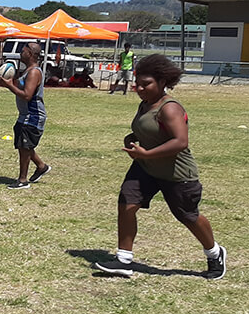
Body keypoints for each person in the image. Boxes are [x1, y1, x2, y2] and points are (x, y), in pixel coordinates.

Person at [93, 54, 225, 279]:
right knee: (127, 204)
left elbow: (180, 142)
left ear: (162, 82)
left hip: (176, 173)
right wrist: (132, 137)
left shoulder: (170, 108)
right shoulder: (145, 104)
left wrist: (147, 153)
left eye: (146, 84)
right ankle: (124, 260)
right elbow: (149, 130)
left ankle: (214, 253)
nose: (140, 88)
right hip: (146, 167)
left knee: (188, 215)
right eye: (138, 83)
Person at [0, 42, 51, 189]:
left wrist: (9, 86)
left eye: (24, 51)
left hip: (33, 116)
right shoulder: (27, 70)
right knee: (23, 145)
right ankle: (41, 166)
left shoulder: (34, 72)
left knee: (24, 146)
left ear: (31, 54)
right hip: (25, 115)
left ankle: (22, 180)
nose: (21, 53)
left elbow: (27, 95)